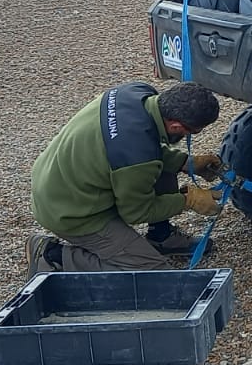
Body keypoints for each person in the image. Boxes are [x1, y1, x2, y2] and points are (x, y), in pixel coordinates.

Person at [24, 81, 226, 274]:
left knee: (159, 168)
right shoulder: (137, 157)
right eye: (194, 131)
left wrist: (185, 162)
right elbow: (137, 211)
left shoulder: (137, 93)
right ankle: (51, 256)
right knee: (152, 273)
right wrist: (188, 201)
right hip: (71, 212)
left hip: (56, 179)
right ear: (176, 126)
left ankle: (161, 237)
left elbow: (143, 148)